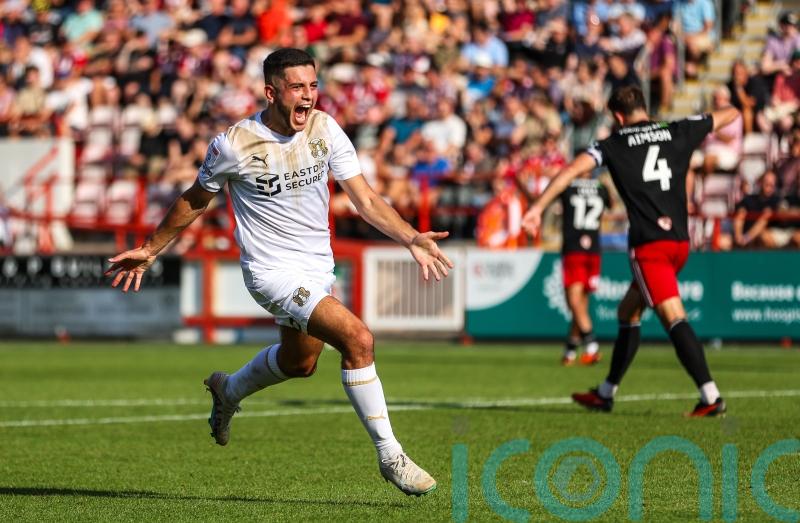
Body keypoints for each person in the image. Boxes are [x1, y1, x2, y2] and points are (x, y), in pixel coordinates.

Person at [105, 48, 453, 496]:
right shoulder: (235, 144)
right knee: (358, 340)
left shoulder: (325, 129)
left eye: (313, 86)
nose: (308, 96)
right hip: (270, 272)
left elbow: (365, 199)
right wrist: (152, 248)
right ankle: (391, 456)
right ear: (272, 93)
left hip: (316, 268)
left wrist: (410, 237)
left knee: (299, 363)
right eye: (297, 87)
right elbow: (195, 198)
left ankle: (228, 391)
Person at [522, 85, 739, 417]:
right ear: (643, 107)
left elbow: (569, 172)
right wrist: (706, 115)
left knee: (673, 317)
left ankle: (710, 397)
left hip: (650, 247)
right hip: (680, 242)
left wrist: (537, 208)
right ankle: (606, 392)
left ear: (618, 116)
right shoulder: (677, 129)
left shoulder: (613, 144)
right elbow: (732, 114)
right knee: (627, 312)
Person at [556, 172, 611, 366]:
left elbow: (541, 198)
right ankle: (570, 350)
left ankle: (591, 344)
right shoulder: (601, 188)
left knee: (573, 302)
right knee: (581, 305)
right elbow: (611, 204)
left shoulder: (568, 186)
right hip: (593, 250)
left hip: (574, 249)